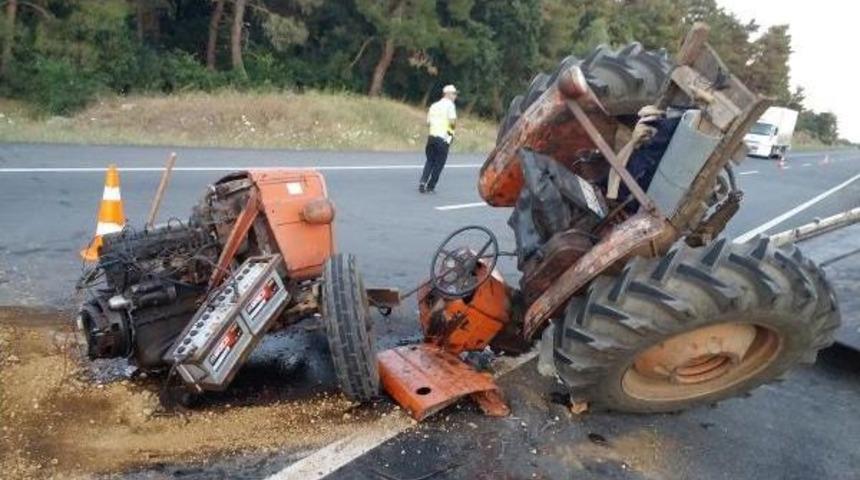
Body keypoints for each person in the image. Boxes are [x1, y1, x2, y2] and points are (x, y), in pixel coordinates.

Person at [419, 84, 458, 193]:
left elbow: (428, 122)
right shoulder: (450, 106)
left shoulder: (434, 105)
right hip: (443, 138)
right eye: (454, 94)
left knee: (430, 160)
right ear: (448, 94)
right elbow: (452, 124)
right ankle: (431, 186)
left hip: (431, 137)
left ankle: (423, 182)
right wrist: (449, 140)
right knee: (439, 163)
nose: (455, 96)